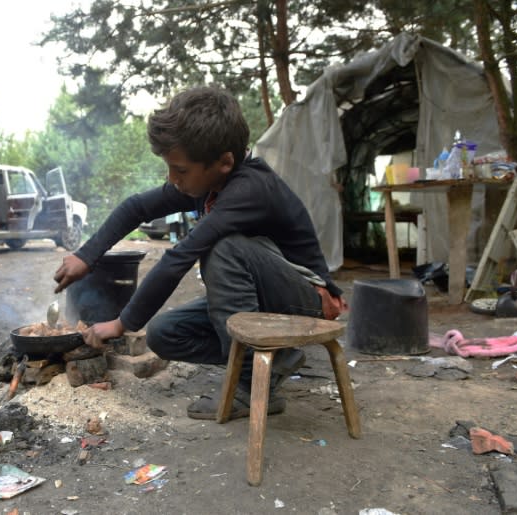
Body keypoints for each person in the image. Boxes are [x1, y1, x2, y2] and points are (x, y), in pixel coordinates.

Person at [53, 86, 345, 420]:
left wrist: (121, 324)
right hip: (264, 297)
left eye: (180, 169)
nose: (172, 179)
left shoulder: (250, 189)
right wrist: (86, 256)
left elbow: (180, 256)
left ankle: (249, 388)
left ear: (224, 162)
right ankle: (273, 359)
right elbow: (136, 208)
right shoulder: (205, 183)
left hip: (306, 301)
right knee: (164, 334)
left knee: (223, 249)